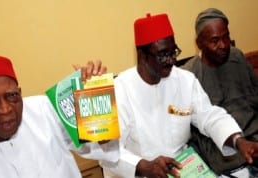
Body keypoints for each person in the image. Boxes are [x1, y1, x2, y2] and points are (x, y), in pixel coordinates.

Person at [99, 13, 258, 178]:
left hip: (183, 170)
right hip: (137, 173)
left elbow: (209, 116)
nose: (171, 61)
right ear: (142, 55)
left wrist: (238, 141)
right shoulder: (119, 91)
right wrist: (144, 166)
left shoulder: (184, 80)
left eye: (173, 52)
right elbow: (107, 151)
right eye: (162, 55)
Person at [0, 54, 119, 178]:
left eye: (12, 96)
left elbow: (101, 148)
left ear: (20, 94)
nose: (5, 109)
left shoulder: (44, 108)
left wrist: (95, 100)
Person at [182, 8, 258, 177]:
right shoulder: (189, 76)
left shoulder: (237, 57)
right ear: (199, 43)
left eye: (226, 37)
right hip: (225, 159)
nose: (223, 45)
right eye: (215, 40)